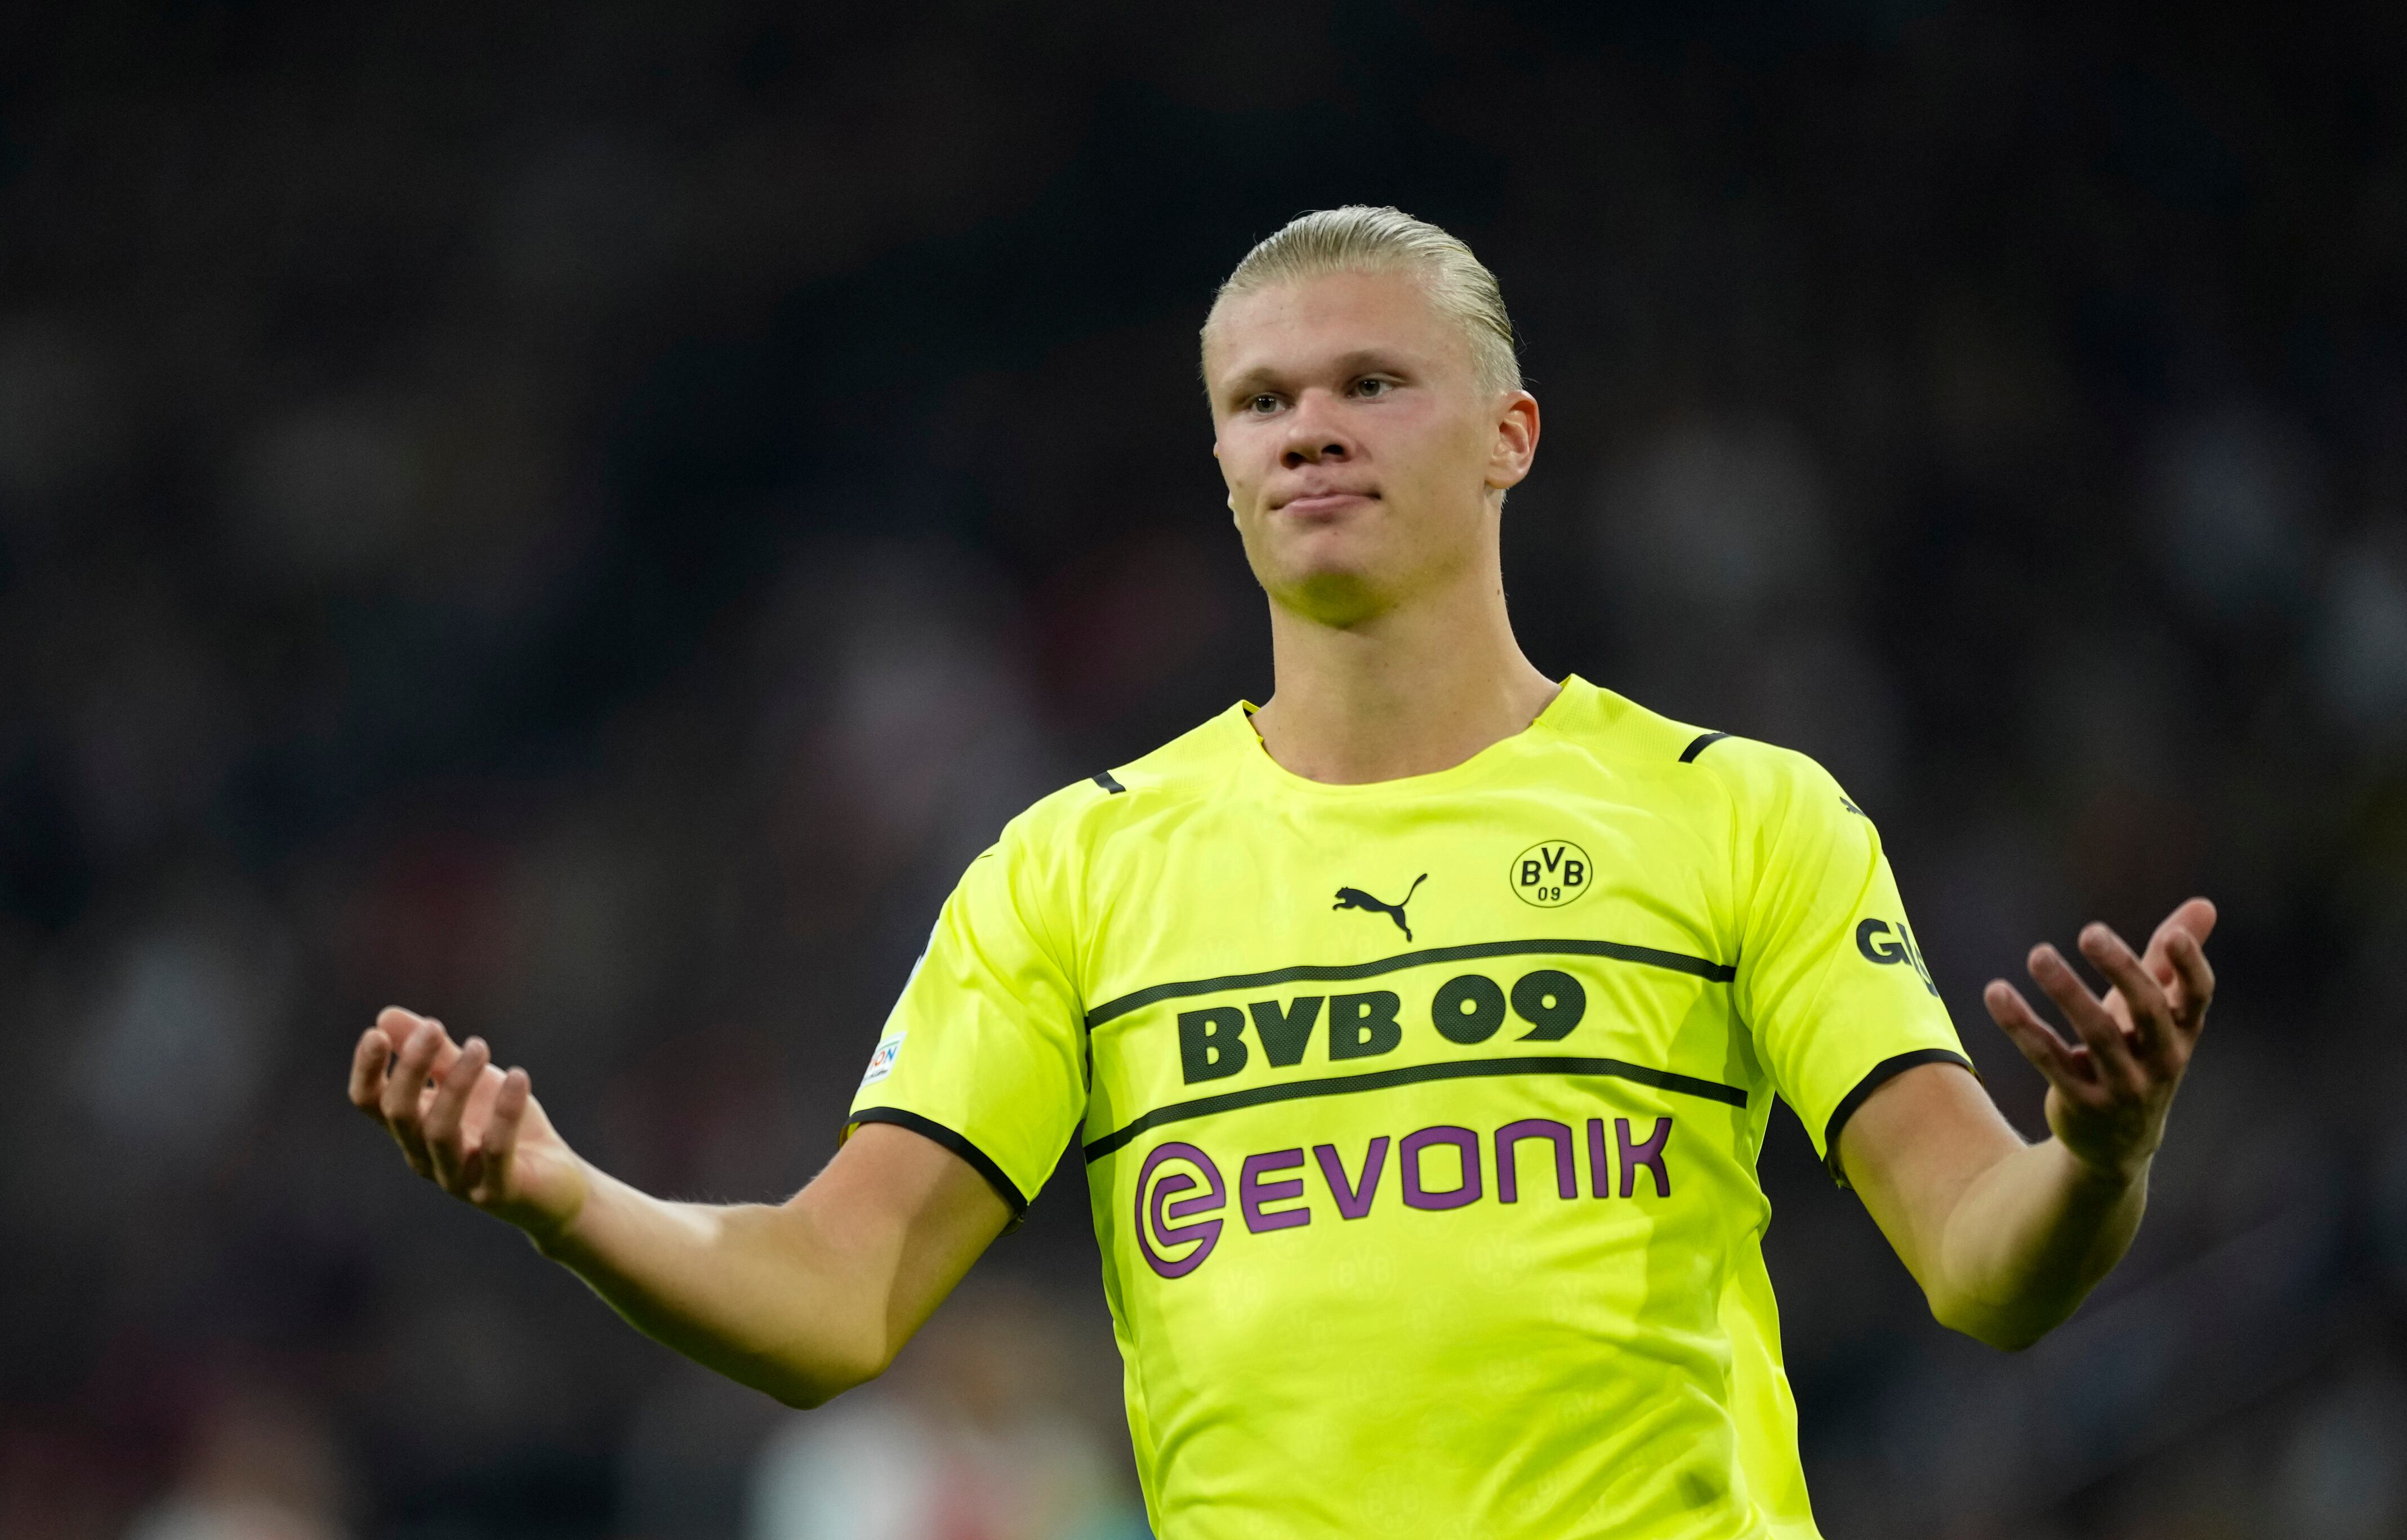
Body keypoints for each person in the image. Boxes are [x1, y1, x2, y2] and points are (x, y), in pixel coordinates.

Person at [349, 206, 2218, 1539]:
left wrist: (2096, 1158)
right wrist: (562, 1196)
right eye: (1260, 402)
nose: (1307, 425)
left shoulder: (1735, 816)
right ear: (1225, 466)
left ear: (1509, 437)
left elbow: (1981, 1267)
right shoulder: (1075, 870)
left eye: (1370, 382)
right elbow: (831, 1297)